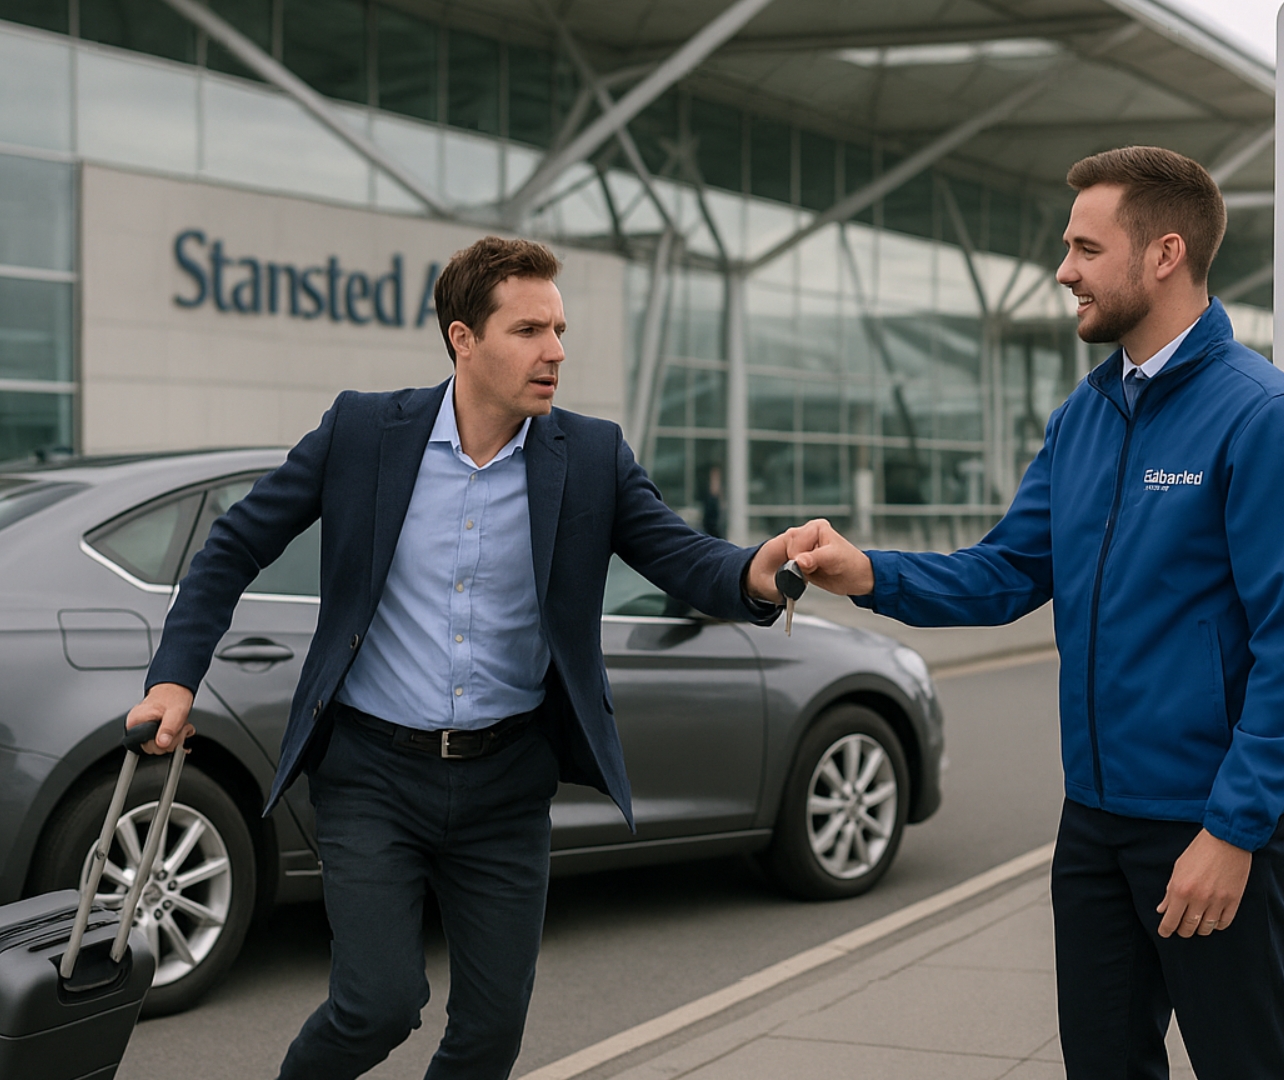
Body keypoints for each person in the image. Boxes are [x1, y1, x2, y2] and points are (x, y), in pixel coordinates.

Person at [123, 236, 791, 1080]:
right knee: (379, 1003)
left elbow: (685, 558)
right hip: (370, 773)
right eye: (527, 330)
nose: (554, 351)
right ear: (462, 338)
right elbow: (233, 546)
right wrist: (175, 677)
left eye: (559, 329)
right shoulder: (364, 431)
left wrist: (756, 576)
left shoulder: (590, 456)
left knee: (489, 1035)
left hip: (506, 784)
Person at [779, 147, 1284, 1079]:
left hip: (1207, 825)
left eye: (1085, 247)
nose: (1063, 270)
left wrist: (1235, 831)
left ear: (1164, 255)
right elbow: (1007, 571)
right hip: (1095, 820)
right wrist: (865, 571)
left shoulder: (1265, 416)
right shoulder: (1085, 417)